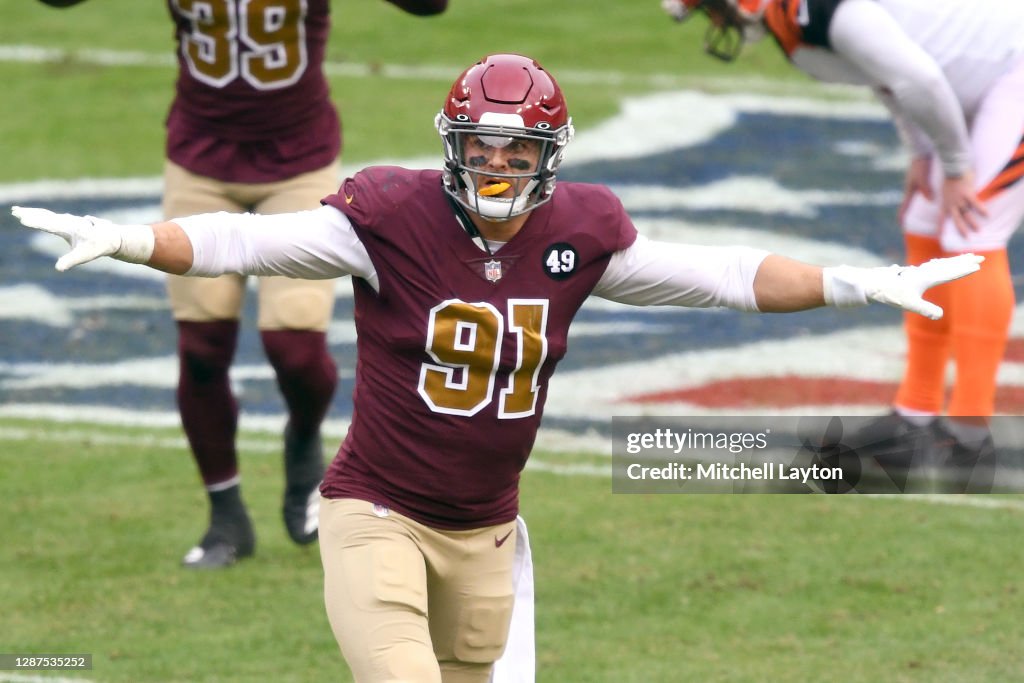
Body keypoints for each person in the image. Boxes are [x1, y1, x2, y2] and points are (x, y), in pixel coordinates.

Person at [13, 53, 982, 682]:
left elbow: (722, 273)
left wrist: (857, 281)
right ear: (452, 148)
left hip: (483, 532)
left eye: (515, 152)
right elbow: (244, 245)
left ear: (547, 157)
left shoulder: (577, 236)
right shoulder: (388, 219)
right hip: (376, 512)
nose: (494, 168)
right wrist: (140, 240)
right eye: (479, 148)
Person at [37, 0, 449, 568]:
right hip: (201, 164)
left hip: (297, 163)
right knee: (203, 348)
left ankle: (304, 439)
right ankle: (225, 515)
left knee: (295, 349)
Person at [661, 0, 1024, 469]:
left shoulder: (822, 9)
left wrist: (954, 166)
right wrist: (922, 152)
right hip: (969, 80)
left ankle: (970, 431)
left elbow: (919, 78)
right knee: (923, 220)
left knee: (972, 229)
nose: (715, 20)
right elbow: (890, 77)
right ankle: (916, 413)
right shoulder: (794, 21)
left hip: (1011, 67)